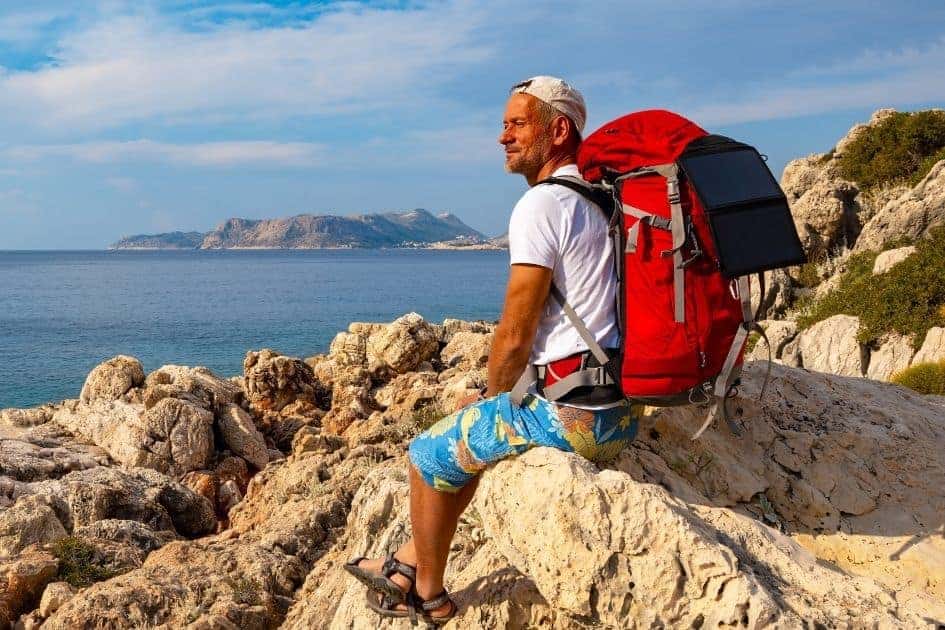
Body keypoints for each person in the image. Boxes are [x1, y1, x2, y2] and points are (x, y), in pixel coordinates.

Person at [344, 76, 639, 625]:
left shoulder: (541, 205)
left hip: (575, 419)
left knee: (425, 454)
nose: (503, 136)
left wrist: (492, 395)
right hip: (619, 410)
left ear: (559, 131)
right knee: (476, 436)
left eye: (517, 124)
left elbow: (514, 334)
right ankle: (407, 561)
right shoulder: (602, 199)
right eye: (503, 125)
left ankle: (428, 597)